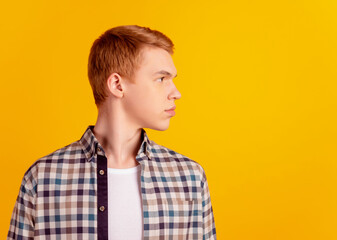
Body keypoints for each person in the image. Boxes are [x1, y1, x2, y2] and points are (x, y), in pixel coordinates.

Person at [7, 25, 217, 240]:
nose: (176, 93)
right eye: (161, 79)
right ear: (117, 85)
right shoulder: (42, 178)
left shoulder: (189, 178)